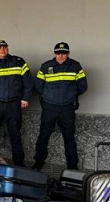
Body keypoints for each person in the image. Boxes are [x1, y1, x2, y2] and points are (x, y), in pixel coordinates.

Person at [33, 42, 87, 170]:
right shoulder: (46, 67)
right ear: (54, 53)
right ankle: (38, 163)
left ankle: (72, 167)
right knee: (43, 136)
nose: (61, 56)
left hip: (67, 108)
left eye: (63, 53)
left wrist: (70, 96)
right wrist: (48, 98)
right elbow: (38, 86)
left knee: (69, 138)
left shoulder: (75, 66)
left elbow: (83, 86)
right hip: (49, 108)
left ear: (68, 53)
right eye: (58, 53)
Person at [0, 40, 33, 166]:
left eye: (4, 47)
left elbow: (28, 82)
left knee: (15, 134)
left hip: (13, 104)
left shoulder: (18, 62)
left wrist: (25, 98)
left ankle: (19, 163)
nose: (2, 50)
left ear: (7, 48)